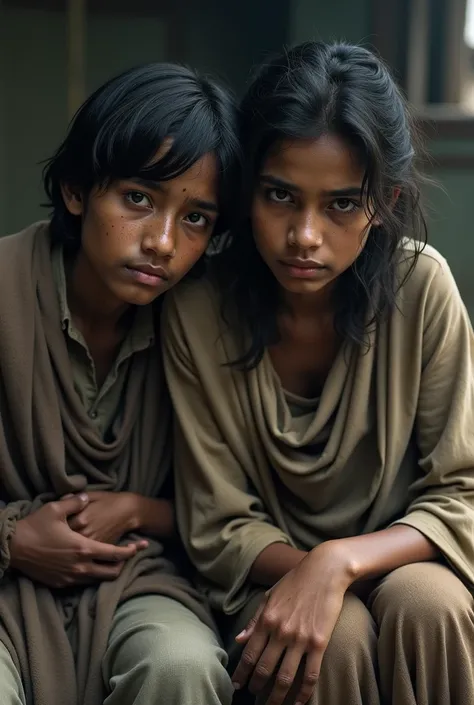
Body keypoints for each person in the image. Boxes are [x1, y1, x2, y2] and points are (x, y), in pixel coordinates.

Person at [163, 41, 474, 705]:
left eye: (339, 204)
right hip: (263, 576)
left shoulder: (421, 287)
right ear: (248, 191)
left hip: (404, 562)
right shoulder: (196, 306)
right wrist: (308, 574)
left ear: (384, 201)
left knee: (431, 604)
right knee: (335, 634)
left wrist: (339, 561)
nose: (304, 235)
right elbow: (216, 521)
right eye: (281, 195)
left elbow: (463, 491)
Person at [0, 62, 240, 705]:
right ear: (78, 190)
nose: (162, 242)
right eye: (139, 198)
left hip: (139, 575)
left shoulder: (201, 323)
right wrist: (13, 539)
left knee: (180, 665)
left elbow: (238, 503)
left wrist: (138, 510)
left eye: (196, 219)